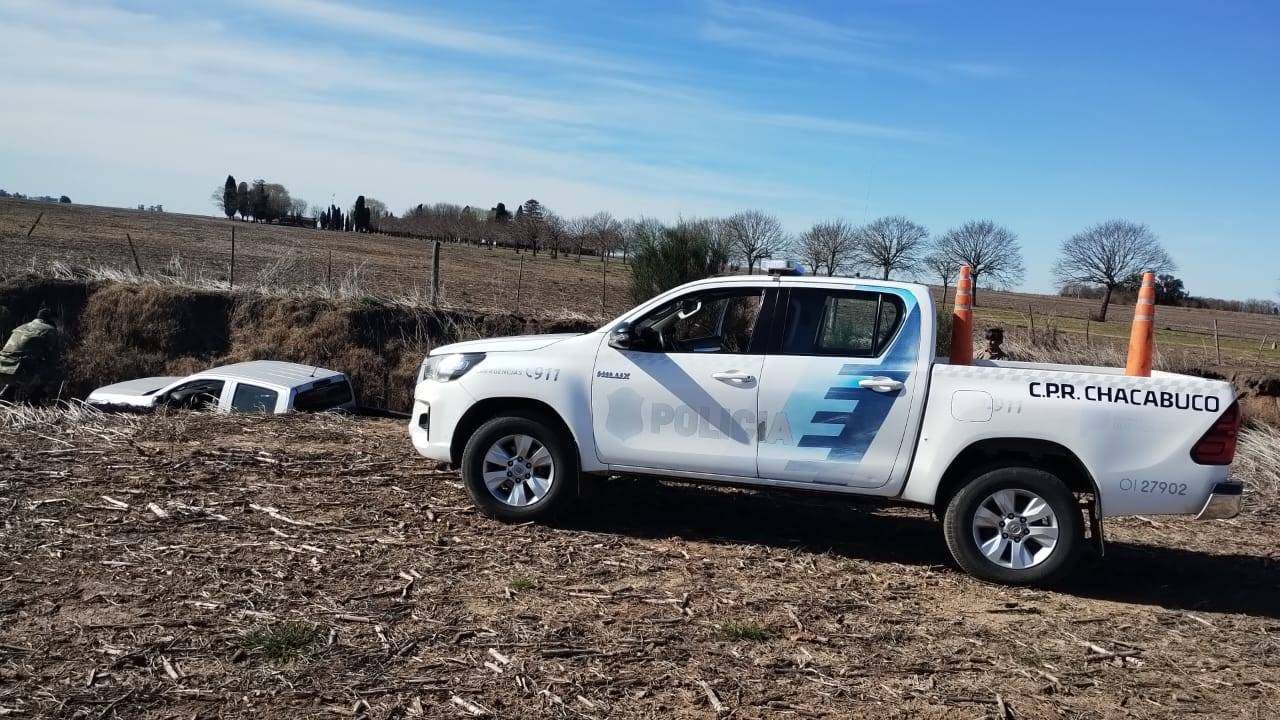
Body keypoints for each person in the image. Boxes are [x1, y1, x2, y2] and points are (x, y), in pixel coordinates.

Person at [0, 307, 65, 403]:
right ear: (51, 319)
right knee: (57, 373)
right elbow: (53, 359)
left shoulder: (21, 327)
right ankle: (33, 400)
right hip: (18, 368)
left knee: (21, 371)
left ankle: (6, 396)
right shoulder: (49, 329)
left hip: (2, 366)